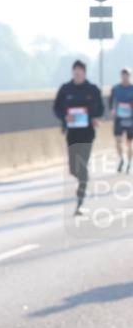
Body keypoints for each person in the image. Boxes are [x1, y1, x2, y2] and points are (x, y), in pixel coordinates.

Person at [53, 60, 105, 214]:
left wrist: (95, 117)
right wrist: (64, 117)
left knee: (82, 166)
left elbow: (101, 108)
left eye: (80, 72)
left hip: (87, 133)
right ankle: (83, 180)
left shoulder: (93, 89)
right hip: (72, 133)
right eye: (75, 72)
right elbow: (56, 107)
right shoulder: (65, 89)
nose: (77, 74)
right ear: (72, 72)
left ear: (84, 73)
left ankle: (80, 199)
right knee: (73, 168)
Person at [109, 67, 133, 174]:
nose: (125, 77)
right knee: (118, 140)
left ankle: (129, 162)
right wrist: (112, 110)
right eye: (123, 74)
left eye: (126, 75)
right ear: (121, 76)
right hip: (119, 118)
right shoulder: (116, 89)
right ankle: (122, 159)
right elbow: (110, 101)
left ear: (129, 76)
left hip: (130, 118)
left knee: (129, 143)